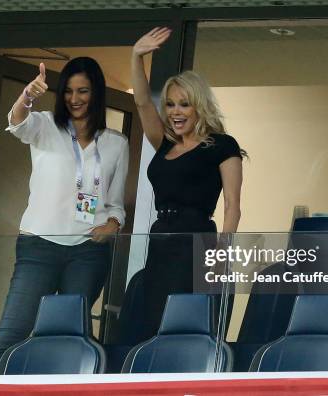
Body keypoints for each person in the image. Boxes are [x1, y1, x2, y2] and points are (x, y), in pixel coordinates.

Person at [0, 57, 129, 374]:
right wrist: (28, 96)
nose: (75, 99)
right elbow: (18, 122)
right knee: (11, 334)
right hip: (39, 248)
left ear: (97, 93)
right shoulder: (46, 125)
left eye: (83, 91)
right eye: (69, 91)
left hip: (88, 252)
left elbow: (115, 204)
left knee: (71, 338)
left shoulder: (116, 143)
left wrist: (113, 225)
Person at [132, 27, 247, 337]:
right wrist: (137, 56)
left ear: (199, 105)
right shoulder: (165, 143)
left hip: (197, 241)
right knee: (156, 323)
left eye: (184, 104)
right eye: (170, 105)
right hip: (161, 238)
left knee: (188, 323)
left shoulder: (222, 145)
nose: (175, 112)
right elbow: (143, 103)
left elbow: (233, 207)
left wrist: (222, 255)